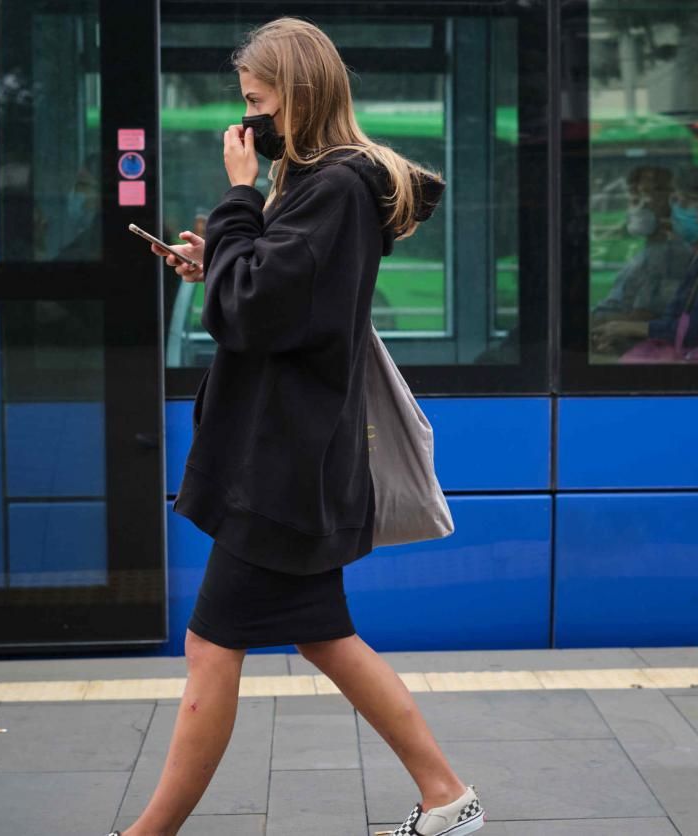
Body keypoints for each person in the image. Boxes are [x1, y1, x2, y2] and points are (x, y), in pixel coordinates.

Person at [115, 18, 483, 836]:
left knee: (213, 652)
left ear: (298, 94)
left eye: (255, 101)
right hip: (287, 458)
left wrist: (240, 197)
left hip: (281, 467)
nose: (245, 122)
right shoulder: (321, 188)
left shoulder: (333, 189)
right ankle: (448, 798)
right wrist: (217, 259)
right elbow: (269, 298)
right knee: (326, 639)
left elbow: (254, 315)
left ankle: (148, 835)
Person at [591, 167, 698, 359]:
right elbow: (676, 323)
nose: (676, 210)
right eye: (675, 201)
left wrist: (626, 327)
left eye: (685, 203)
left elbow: (693, 330)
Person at [590, 165, 691, 325]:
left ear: (671, 198)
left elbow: (647, 317)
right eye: (633, 197)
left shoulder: (669, 254)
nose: (636, 206)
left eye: (645, 195)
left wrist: (594, 323)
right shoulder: (651, 251)